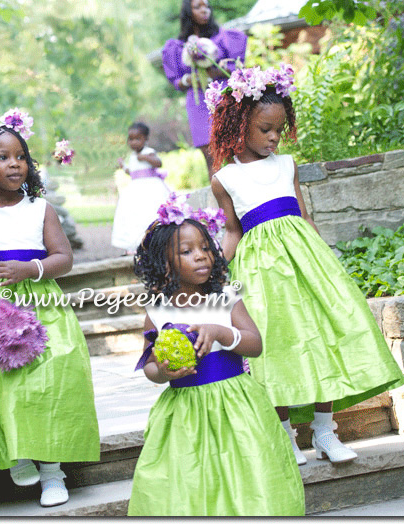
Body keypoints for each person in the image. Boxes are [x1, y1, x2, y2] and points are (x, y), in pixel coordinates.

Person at [208, 64, 404, 465]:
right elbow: (232, 231)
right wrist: (214, 273)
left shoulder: (287, 165)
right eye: (265, 128)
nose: (274, 137)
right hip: (260, 272)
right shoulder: (225, 179)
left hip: (306, 263)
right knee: (275, 345)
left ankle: (324, 431)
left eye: (279, 128)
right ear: (239, 124)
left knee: (323, 337)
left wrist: (325, 260)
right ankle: (285, 434)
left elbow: (302, 213)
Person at [0, 109, 100, 508]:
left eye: (20, 157)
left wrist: (32, 268)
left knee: (47, 383)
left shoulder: (39, 209)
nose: (14, 164)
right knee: (4, 386)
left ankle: (53, 472)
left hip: (40, 306)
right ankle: (18, 451)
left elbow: (64, 257)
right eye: (2, 157)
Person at [126, 195, 305, 516]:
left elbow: (255, 344)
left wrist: (223, 333)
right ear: (165, 264)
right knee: (191, 476)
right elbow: (149, 366)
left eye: (206, 248)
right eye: (187, 251)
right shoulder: (157, 310)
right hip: (185, 411)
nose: (201, 257)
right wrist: (164, 372)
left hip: (237, 402)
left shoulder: (225, 297)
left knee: (247, 469)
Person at [162, 0, 248, 179]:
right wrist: (188, 78)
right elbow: (176, 81)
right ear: (188, 11)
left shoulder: (223, 37)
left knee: (234, 150)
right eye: (198, 7)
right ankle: (220, 205)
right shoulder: (177, 46)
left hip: (223, 96)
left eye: (207, 6)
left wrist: (214, 69)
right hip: (197, 101)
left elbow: (236, 68)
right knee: (210, 156)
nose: (204, 10)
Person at [111, 122, 170, 255]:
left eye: (138, 139)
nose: (134, 143)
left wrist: (145, 157)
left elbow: (158, 163)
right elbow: (132, 172)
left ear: (146, 139)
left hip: (150, 188)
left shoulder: (148, 152)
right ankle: (135, 244)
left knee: (149, 213)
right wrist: (123, 167)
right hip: (135, 189)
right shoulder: (132, 156)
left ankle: (155, 243)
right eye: (131, 139)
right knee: (134, 215)